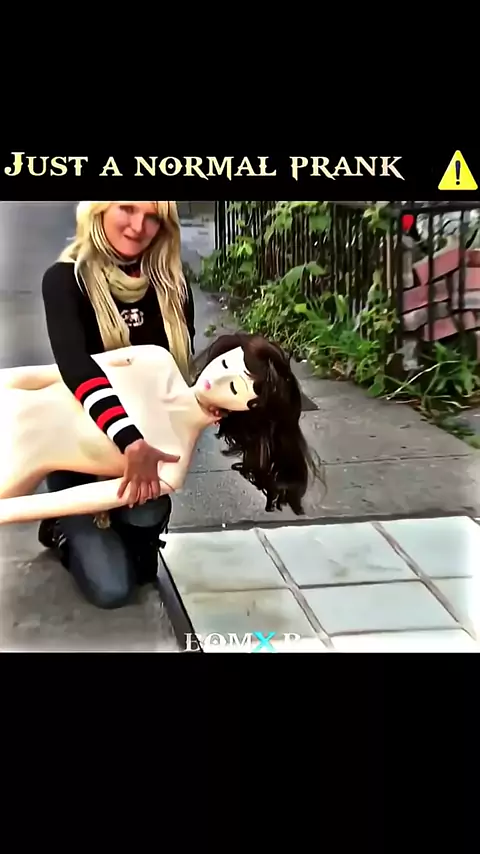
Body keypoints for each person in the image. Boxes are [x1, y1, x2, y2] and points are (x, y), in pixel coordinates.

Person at [36, 200, 206, 609]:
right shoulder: (65, 280)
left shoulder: (171, 285)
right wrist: (129, 439)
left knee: (143, 566)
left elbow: (173, 377)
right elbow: (77, 368)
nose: (138, 226)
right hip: (81, 451)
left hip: (142, 454)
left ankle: (128, 527)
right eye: (127, 209)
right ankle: (61, 524)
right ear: (98, 210)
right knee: (113, 590)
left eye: (152, 217)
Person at [0, 331, 321, 528]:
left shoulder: (171, 465)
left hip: (13, 466)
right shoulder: (156, 359)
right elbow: (58, 373)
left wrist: (5, 511)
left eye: (235, 388)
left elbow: (74, 500)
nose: (217, 379)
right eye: (225, 365)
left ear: (246, 411)